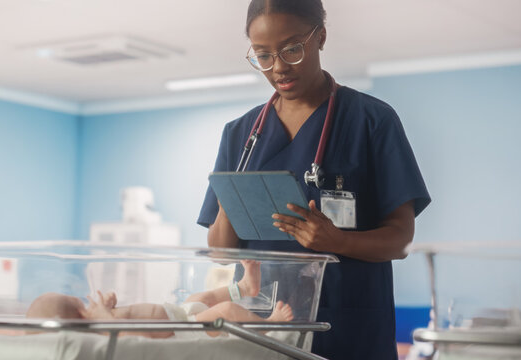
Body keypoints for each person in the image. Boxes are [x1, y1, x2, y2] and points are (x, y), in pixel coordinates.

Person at [197, 0, 431, 359]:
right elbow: (219, 253)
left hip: (349, 331)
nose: (278, 68)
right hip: (262, 332)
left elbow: (400, 240)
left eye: (292, 49)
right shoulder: (240, 135)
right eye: (263, 55)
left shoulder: (373, 121)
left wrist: (338, 241)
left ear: (319, 37)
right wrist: (235, 196)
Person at [26, 260, 294, 339]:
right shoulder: (100, 332)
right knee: (223, 309)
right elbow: (123, 336)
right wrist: (104, 316)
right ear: (77, 320)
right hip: (182, 330)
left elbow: (121, 314)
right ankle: (267, 326)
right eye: (77, 304)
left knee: (203, 296)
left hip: (177, 313)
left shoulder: (100, 318)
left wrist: (109, 303)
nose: (85, 303)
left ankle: (246, 287)